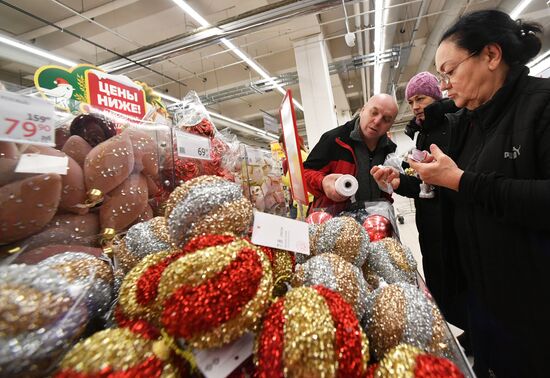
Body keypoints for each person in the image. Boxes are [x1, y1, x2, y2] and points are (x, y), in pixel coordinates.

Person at [378, 10, 550, 377]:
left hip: (535, 312)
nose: (444, 86)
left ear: (491, 55)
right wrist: (419, 180)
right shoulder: (472, 122)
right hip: (489, 307)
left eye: (450, 72)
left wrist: (460, 181)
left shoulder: (542, 105)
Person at [372, 72, 459, 315]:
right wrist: (400, 181)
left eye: (421, 98)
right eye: (411, 102)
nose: (415, 106)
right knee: (439, 281)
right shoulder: (421, 135)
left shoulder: (456, 122)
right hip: (429, 223)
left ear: (436, 96)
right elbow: (424, 184)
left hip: (453, 221)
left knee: (461, 280)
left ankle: (473, 333)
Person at [303, 93, 398, 214]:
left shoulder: (389, 149)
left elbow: (389, 187)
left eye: (386, 119)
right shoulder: (334, 140)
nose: (377, 121)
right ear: (363, 110)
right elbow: (304, 173)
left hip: (375, 221)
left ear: (391, 125)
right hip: (335, 222)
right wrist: (322, 183)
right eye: (374, 112)